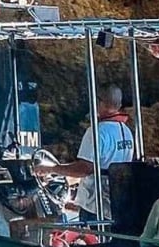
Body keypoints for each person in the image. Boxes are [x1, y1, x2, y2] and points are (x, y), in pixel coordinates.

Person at [34, 84, 134, 222]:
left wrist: (51, 170)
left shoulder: (97, 132)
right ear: (120, 104)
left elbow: (84, 169)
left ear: (100, 102)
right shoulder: (126, 131)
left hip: (95, 206)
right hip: (118, 203)